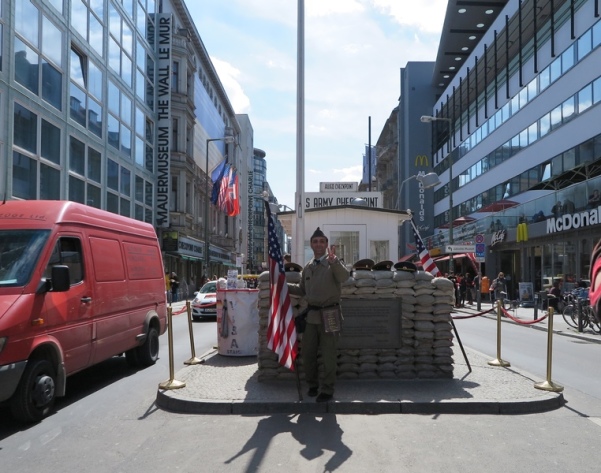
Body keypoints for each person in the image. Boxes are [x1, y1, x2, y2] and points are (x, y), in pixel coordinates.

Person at [288, 227, 349, 403]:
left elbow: (344, 278)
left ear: (327, 245)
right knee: (308, 353)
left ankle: (328, 389)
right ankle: (312, 385)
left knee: (329, 353)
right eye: (315, 241)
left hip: (331, 314)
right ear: (312, 245)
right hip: (312, 315)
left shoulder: (333, 263)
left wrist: (335, 261)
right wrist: (283, 286)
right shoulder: (308, 267)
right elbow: (302, 290)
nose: (319, 244)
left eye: (322, 241)